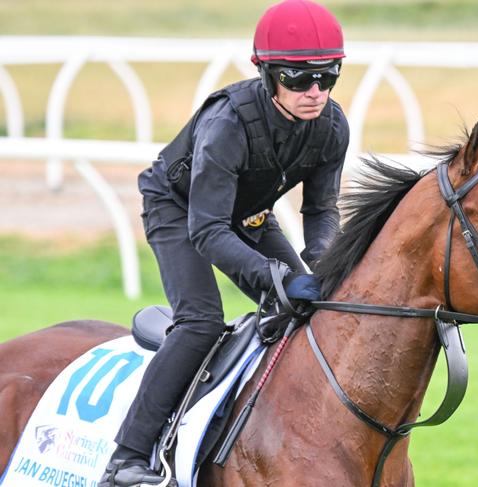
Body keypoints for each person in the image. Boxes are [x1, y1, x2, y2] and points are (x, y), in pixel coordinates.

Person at [99, 1, 349, 486]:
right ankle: (128, 457)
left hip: (249, 213)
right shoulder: (228, 123)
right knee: (200, 321)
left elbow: (320, 213)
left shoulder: (332, 127)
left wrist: (323, 267)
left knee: (310, 309)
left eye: (328, 76)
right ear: (267, 74)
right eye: (299, 79)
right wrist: (278, 277)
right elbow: (208, 229)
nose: (315, 92)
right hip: (180, 209)